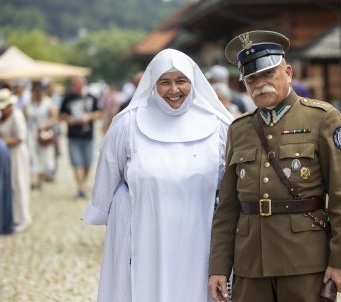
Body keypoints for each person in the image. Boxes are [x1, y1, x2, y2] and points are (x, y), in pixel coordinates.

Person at [208, 30, 341, 302]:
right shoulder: (239, 129)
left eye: (268, 74)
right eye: (252, 78)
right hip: (250, 264)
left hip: (304, 260)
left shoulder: (322, 118)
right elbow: (228, 208)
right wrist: (219, 267)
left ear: (288, 73)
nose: (260, 83)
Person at [82, 49, 234, 302]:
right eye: (165, 82)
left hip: (201, 237)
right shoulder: (127, 125)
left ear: (193, 82)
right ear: (153, 83)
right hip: (144, 235)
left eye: (181, 81)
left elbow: (232, 185)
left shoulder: (220, 126)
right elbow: (107, 181)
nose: (173, 90)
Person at [0, 88, 31, 233]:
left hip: (17, 154)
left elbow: (20, 138)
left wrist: (1, 142)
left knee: (19, 184)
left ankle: (24, 218)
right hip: (5, 155)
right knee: (9, 185)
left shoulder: (17, 115)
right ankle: (13, 216)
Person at [60, 76, 102, 198]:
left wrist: (88, 117)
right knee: (77, 162)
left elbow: (99, 112)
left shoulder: (91, 98)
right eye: (74, 84)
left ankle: (82, 184)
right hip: (73, 136)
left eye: (78, 84)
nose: (76, 87)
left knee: (87, 162)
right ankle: (81, 187)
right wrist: (68, 118)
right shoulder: (67, 98)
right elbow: (60, 114)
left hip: (88, 136)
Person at [25, 82, 59, 187]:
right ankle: (35, 178)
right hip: (31, 133)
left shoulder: (48, 103)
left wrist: (46, 124)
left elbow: (54, 118)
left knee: (44, 155)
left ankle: (41, 176)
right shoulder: (28, 103)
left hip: (44, 134)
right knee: (32, 154)